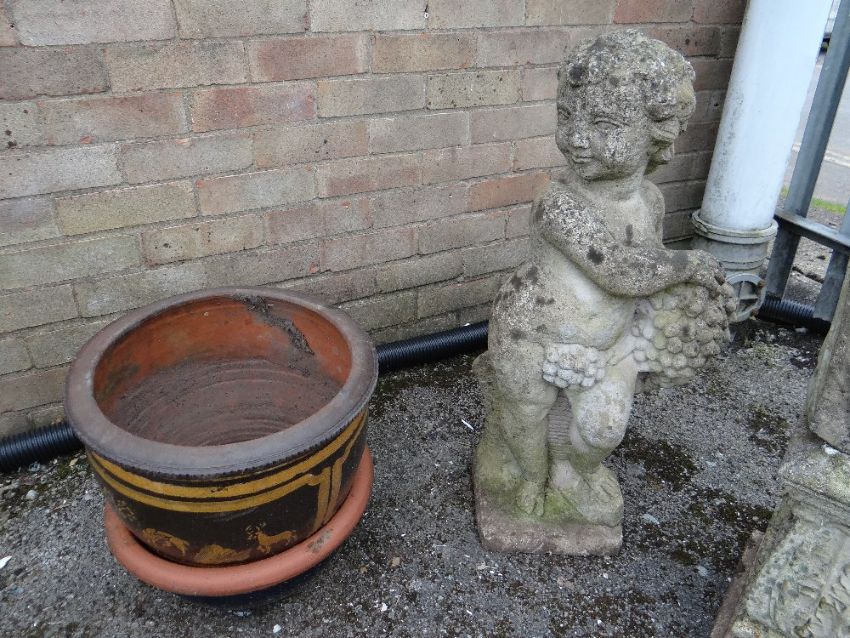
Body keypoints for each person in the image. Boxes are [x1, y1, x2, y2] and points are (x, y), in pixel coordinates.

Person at [474, 30, 735, 532]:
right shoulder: (559, 203)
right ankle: (529, 474)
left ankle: (570, 472)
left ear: (656, 135)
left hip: (606, 342)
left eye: (603, 124)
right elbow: (618, 270)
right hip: (530, 331)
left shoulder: (651, 202)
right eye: (566, 117)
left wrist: (649, 340)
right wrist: (690, 266)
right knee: (525, 414)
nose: (576, 138)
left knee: (604, 429)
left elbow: (648, 276)